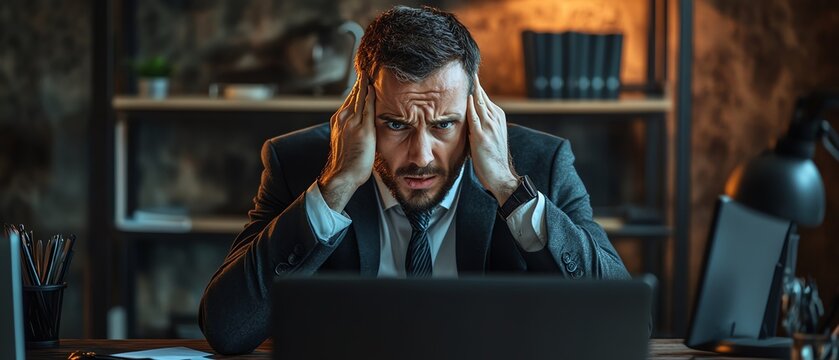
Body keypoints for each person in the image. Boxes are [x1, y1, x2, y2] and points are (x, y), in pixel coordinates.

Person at [199, 5, 629, 355]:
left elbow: (624, 320)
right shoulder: (297, 162)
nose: (421, 156)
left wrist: (509, 189)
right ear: (360, 111)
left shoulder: (543, 163)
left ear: (477, 111)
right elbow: (228, 329)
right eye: (396, 124)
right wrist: (336, 187)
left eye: (444, 124)